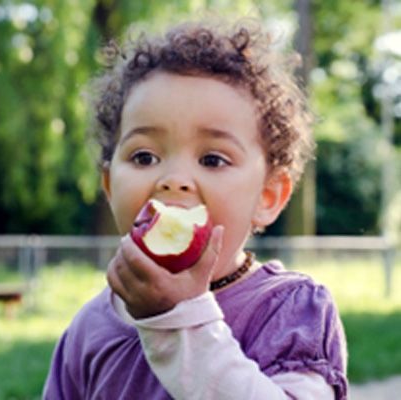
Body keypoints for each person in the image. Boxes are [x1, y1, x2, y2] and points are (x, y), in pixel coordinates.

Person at [43, 17, 348, 400]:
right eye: (143, 156)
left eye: (213, 160)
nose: (174, 179)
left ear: (268, 196)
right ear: (108, 185)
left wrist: (177, 319)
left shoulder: (291, 310)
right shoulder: (90, 328)